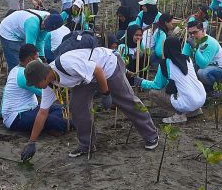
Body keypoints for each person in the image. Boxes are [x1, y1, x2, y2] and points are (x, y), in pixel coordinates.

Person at [20, 47, 159, 160]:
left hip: (108, 65)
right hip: (86, 78)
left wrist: (106, 94)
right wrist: (32, 142)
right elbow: (42, 113)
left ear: (44, 77)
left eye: (36, 83)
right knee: (77, 107)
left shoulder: (67, 64)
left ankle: (152, 135)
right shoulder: (50, 85)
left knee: (126, 101)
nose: (36, 86)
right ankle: (86, 145)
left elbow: (98, 70)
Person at [1, 44, 72, 135]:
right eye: (37, 58)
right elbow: (45, 91)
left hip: (31, 109)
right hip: (16, 117)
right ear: (30, 60)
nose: (39, 60)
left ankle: (47, 127)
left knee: (61, 110)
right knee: (53, 120)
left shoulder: (18, 69)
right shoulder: (23, 75)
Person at [140, 35, 207, 124]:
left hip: (188, 102)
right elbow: (184, 54)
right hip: (201, 97)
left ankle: (179, 114)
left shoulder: (165, 64)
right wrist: (189, 45)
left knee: (153, 92)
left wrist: (141, 82)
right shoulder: (187, 59)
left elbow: (157, 85)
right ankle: (194, 111)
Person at [184, 19, 222, 95]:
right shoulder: (192, 40)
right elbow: (184, 57)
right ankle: (204, 88)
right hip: (204, 68)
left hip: (220, 70)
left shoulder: (210, 43)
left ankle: (214, 89)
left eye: (195, 32)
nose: (192, 35)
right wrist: (187, 44)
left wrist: (195, 48)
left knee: (202, 73)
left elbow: (203, 64)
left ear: (202, 31)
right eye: (190, 33)